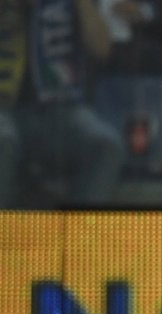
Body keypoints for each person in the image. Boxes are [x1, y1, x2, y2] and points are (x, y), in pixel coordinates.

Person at [0, 0, 126, 208]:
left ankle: (79, 238)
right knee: (3, 140)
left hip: (61, 108)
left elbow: (102, 48)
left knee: (106, 145)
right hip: (4, 108)